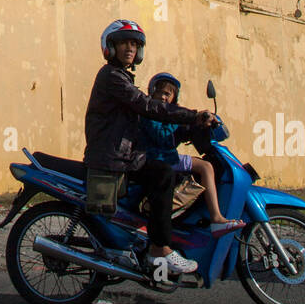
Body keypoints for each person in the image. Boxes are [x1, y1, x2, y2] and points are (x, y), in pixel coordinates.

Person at [83, 19, 214, 277]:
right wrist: (192, 115)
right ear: (110, 46)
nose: (130, 48)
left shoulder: (122, 77)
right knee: (163, 173)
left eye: (134, 44)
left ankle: (151, 241)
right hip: (111, 158)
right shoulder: (111, 76)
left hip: (122, 155)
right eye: (123, 43)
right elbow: (148, 106)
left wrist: (189, 126)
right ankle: (159, 249)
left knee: (165, 171)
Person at [141, 73, 244, 233]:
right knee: (205, 167)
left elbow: (179, 133)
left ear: (174, 97)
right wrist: (183, 121)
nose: (162, 97)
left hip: (167, 156)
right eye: (159, 92)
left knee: (204, 166)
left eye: (167, 94)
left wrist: (198, 126)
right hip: (157, 158)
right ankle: (216, 218)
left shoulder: (170, 114)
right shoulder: (150, 114)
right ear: (152, 92)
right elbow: (162, 135)